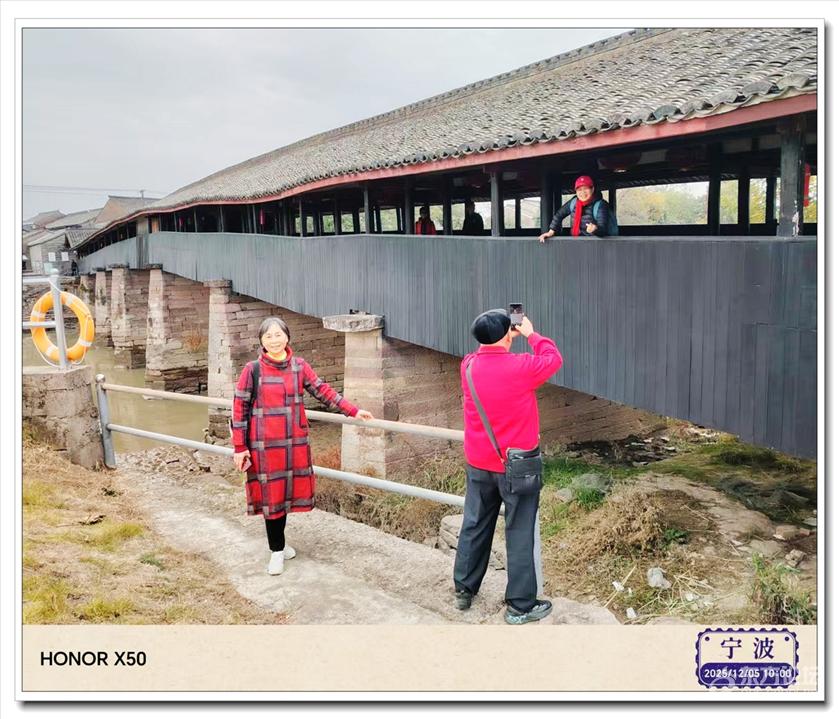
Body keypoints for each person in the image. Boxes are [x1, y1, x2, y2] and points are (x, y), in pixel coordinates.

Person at [232, 316, 374, 575]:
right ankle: (276, 550)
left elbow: (323, 391)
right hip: (264, 445)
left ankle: (280, 544)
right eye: (268, 336)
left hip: (293, 443)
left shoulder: (299, 366)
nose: (274, 340)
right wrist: (240, 447)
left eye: (278, 334)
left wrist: (352, 410)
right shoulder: (252, 370)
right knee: (272, 498)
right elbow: (239, 408)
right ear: (262, 341)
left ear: (287, 336)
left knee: (284, 495)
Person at [453, 309, 563, 624]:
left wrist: (503, 337)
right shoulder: (521, 367)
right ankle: (520, 605)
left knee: (474, 524)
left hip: (479, 462)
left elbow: (488, 354)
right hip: (517, 466)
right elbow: (553, 358)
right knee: (519, 530)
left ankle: (464, 589)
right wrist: (529, 333)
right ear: (507, 334)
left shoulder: (468, 366)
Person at [538, 175, 612, 242]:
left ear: (592, 189)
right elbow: (559, 215)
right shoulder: (574, 202)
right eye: (579, 190)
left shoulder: (600, 205)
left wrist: (595, 229)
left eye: (586, 188)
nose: (583, 192)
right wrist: (551, 232)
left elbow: (603, 230)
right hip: (575, 243)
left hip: (594, 245)